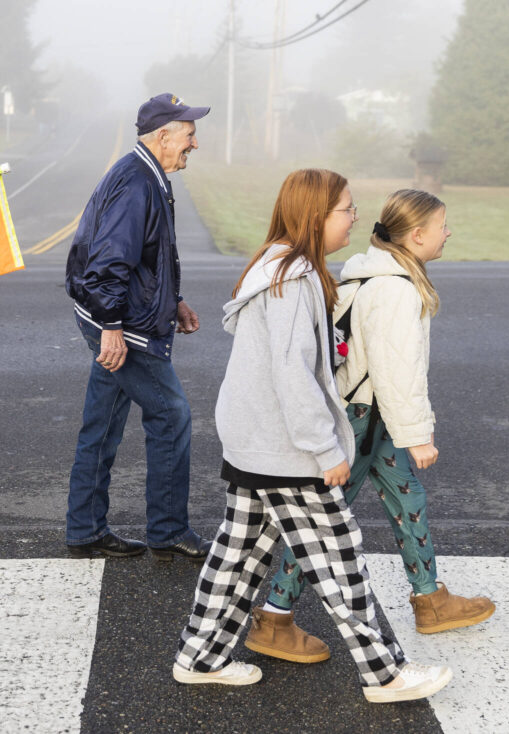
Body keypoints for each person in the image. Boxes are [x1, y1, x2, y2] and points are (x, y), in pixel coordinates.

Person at [173, 170, 453, 703]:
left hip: (257, 440)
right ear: (316, 215)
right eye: (345, 208)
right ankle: (386, 675)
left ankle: (200, 656)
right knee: (340, 557)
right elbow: (292, 373)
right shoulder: (293, 279)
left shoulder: (280, 265)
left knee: (238, 556)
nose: (354, 217)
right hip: (284, 448)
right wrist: (326, 447)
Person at [246, 189, 494, 663]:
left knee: (408, 497)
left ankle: (430, 599)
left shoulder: (371, 274)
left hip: (373, 414)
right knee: (325, 520)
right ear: (417, 236)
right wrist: (417, 435)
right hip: (362, 416)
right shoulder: (396, 289)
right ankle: (275, 617)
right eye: (443, 225)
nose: (448, 233)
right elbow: (396, 369)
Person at [63, 93, 212, 561]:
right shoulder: (136, 183)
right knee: (171, 415)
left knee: (102, 424)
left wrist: (175, 301)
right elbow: (109, 262)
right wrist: (111, 326)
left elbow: (146, 256)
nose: (195, 143)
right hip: (122, 323)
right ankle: (168, 532)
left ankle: (86, 529)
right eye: (189, 134)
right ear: (163, 135)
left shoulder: (146, 174)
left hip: (119, 315)